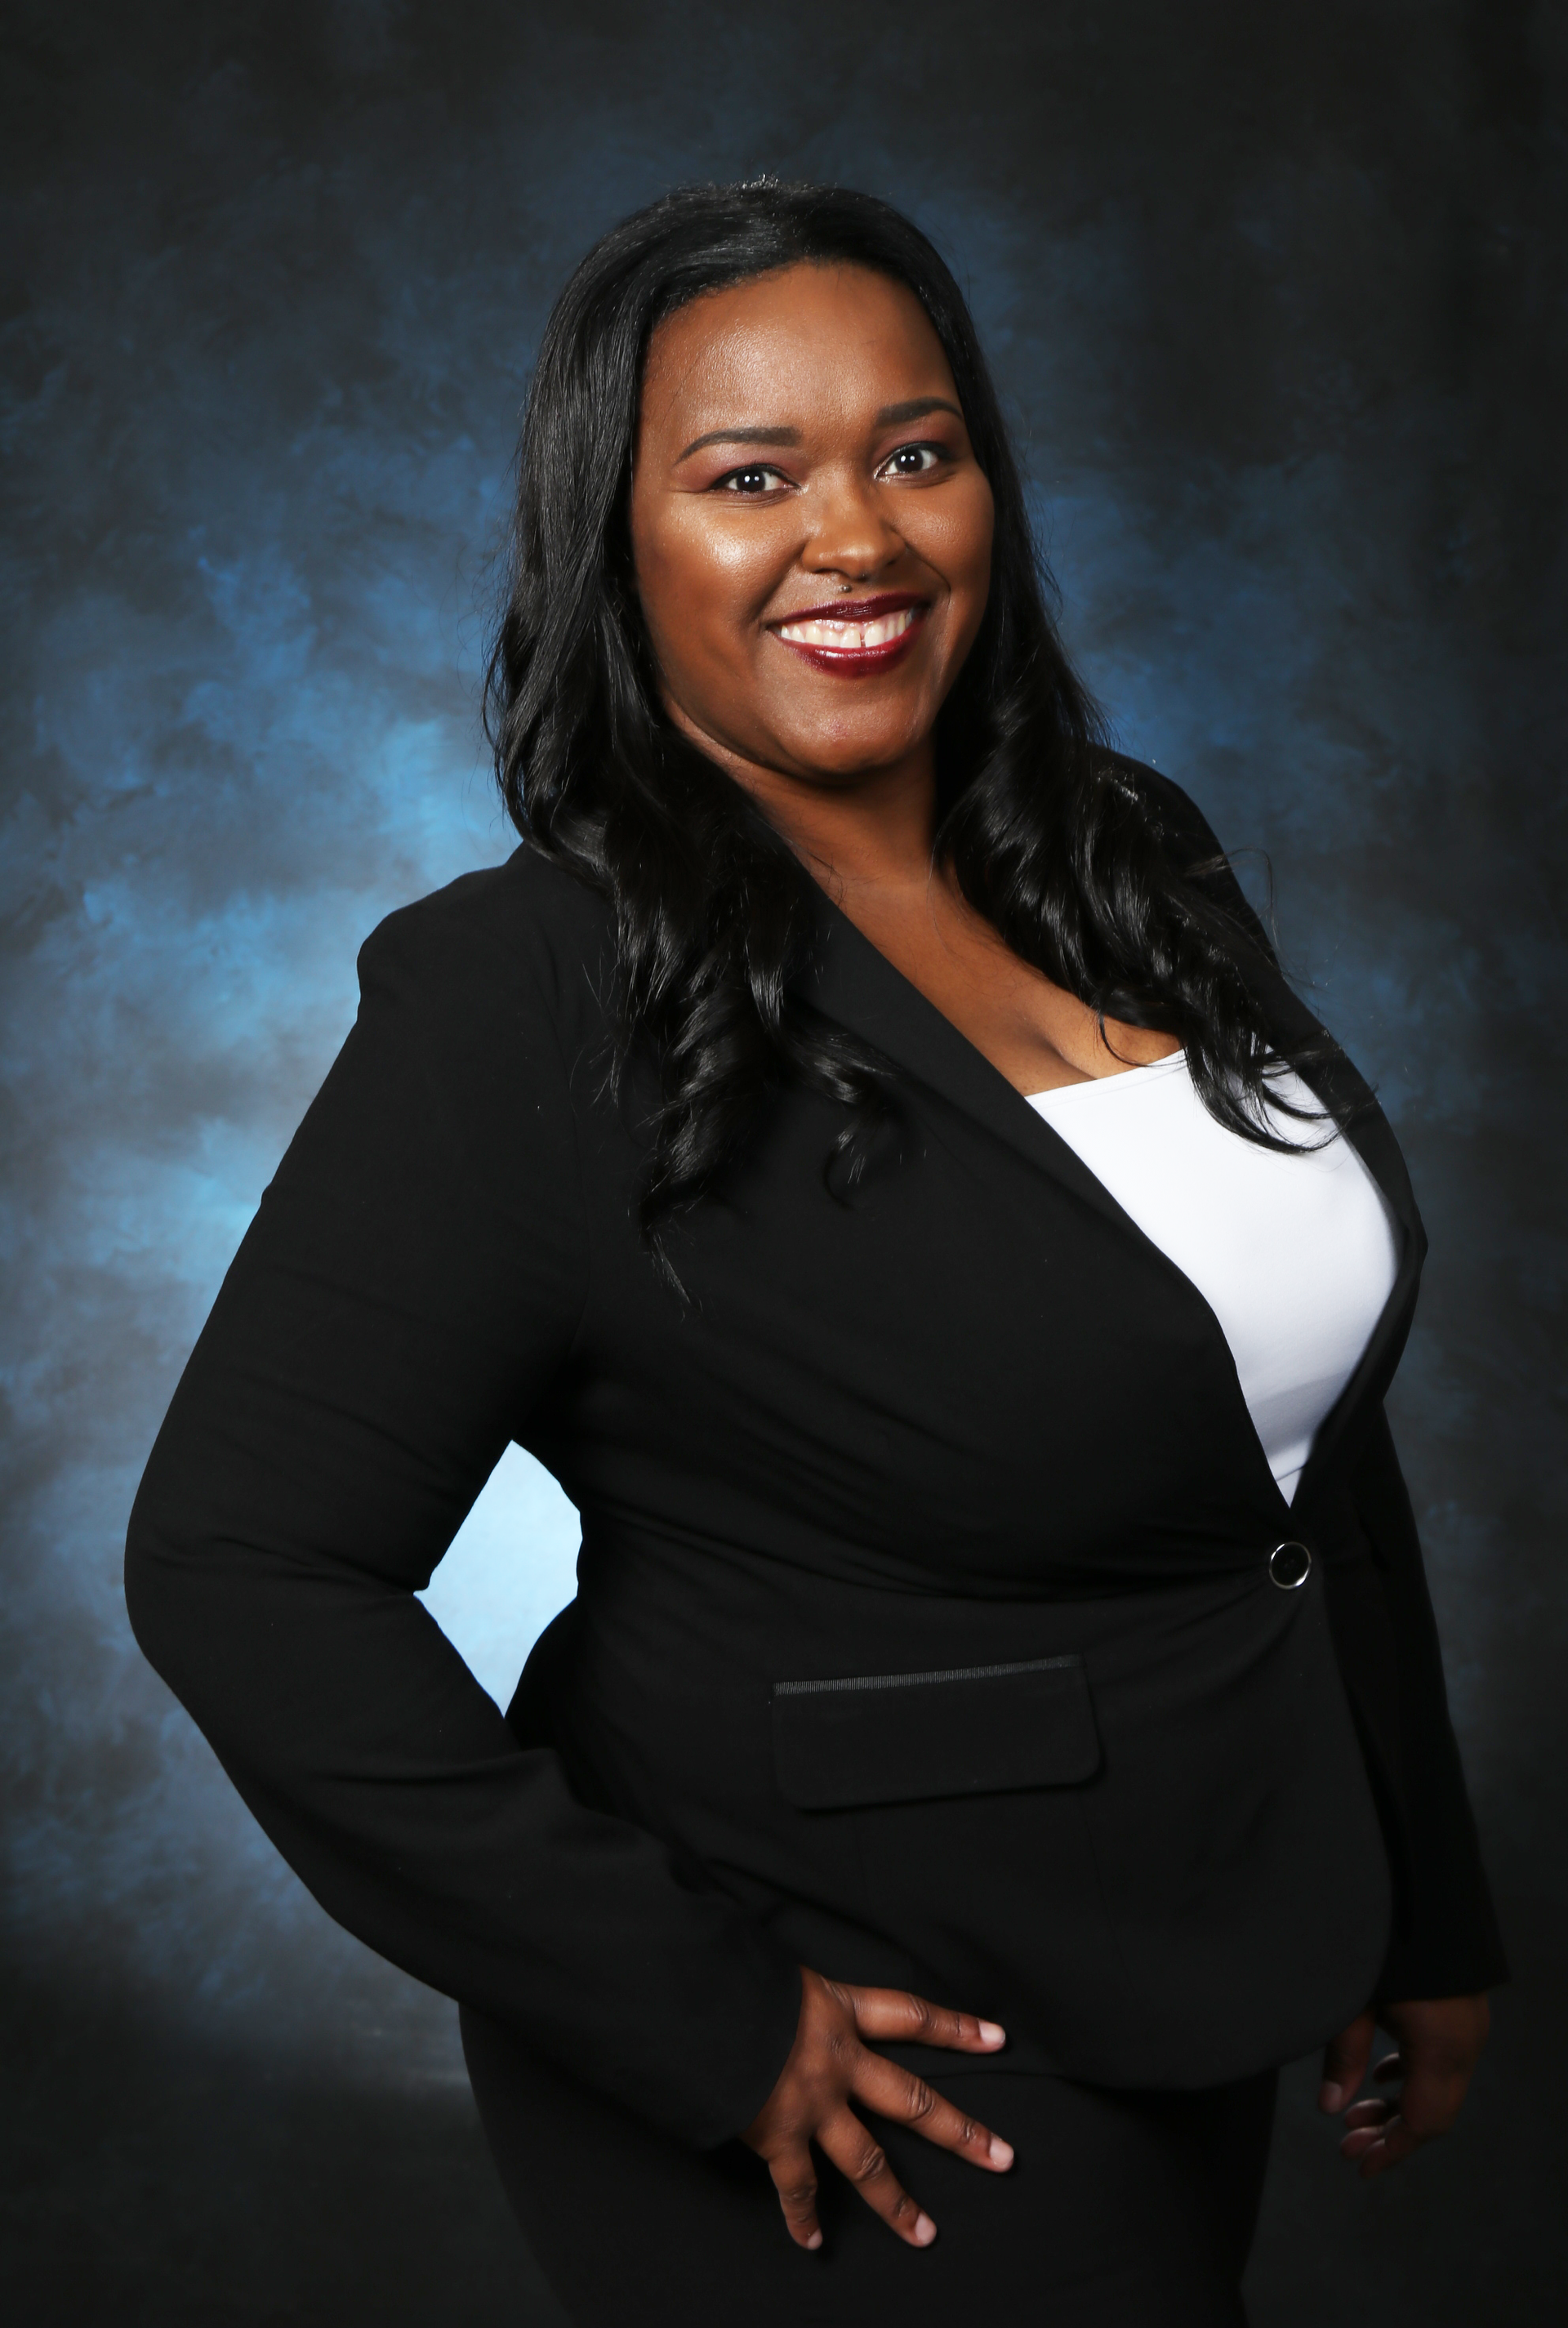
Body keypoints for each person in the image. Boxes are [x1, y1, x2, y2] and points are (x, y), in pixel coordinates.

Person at [125, 181, 1503, 2327]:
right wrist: (696, 2012)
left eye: (913, 451)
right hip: (864, 2033)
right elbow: (240, 1564)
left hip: (1208, 1939)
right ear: (619, 544)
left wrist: (1417, 1895)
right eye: (750, 476)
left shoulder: (1130, 857)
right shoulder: (526, 998)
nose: (854, 535)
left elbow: (1287, 1427)